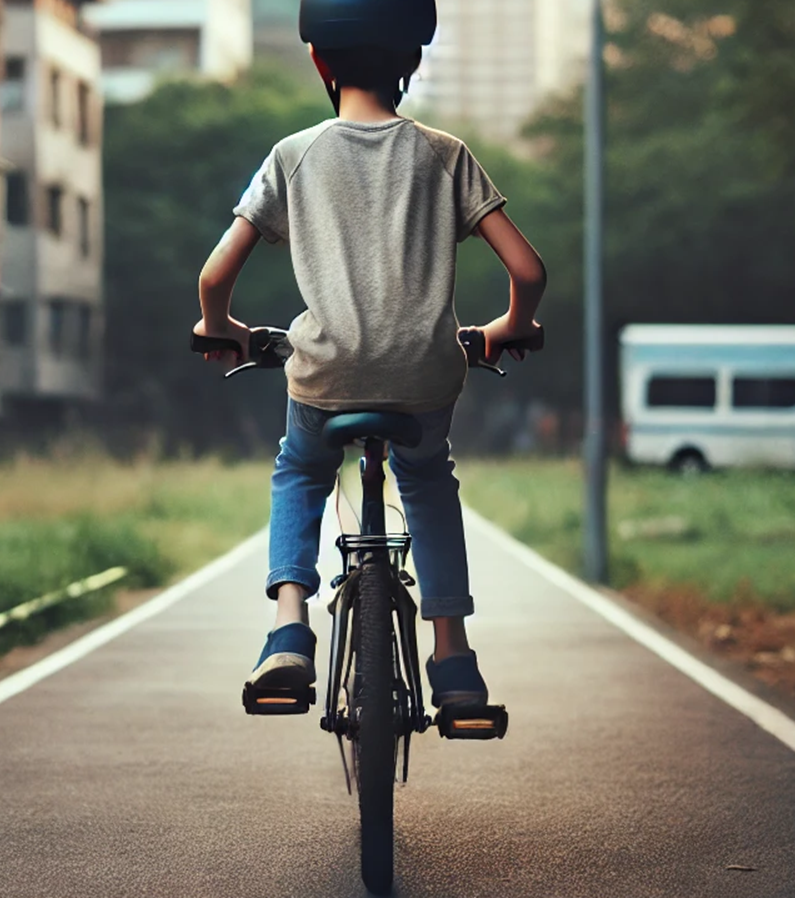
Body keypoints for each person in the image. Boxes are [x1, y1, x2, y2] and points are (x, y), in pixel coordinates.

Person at [193, 0, 546, 710]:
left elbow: (212, 277)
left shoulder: (293, 155)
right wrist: (511, 324)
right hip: (426, 374)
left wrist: (218, 325)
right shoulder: (445, 154)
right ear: (412, 61)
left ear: (320, 61)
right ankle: (453, 660)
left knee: (300, 471)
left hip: (324, 373)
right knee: (427, 483)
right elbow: (530, 271)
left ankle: (288, 630)